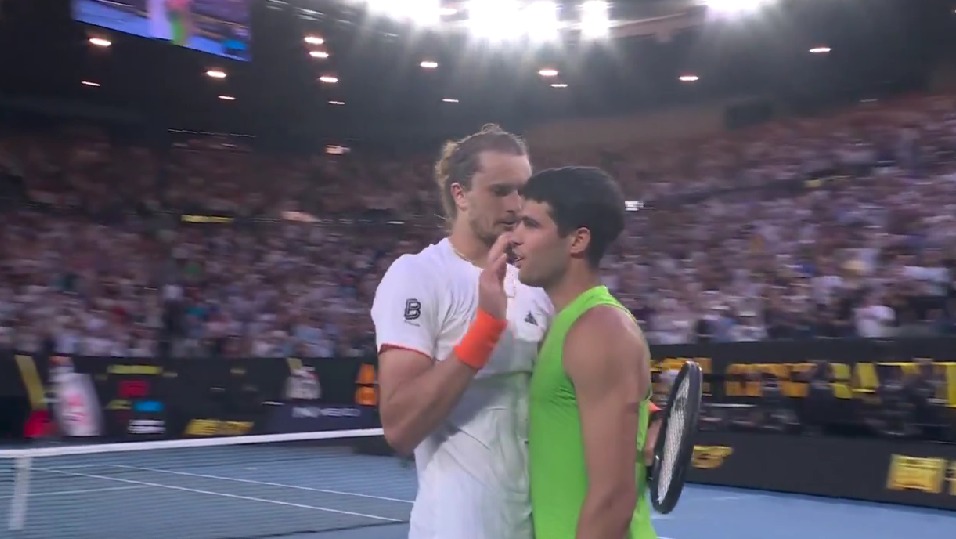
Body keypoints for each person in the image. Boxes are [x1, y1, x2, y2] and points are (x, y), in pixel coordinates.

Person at [370, 124, 552, 539]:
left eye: (523, 191)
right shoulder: (417, 276)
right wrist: (486, 328)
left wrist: (641, 417)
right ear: (460, 195)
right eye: (500, 191)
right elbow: (399, 427)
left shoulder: (537, 284)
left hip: (533, 525)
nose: (516, 204)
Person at [511, 166, 656, 539]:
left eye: (531, 225)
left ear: (577, 241)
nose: (515, 237)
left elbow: (613, 497)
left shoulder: (599, 329)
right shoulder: (565, 325)